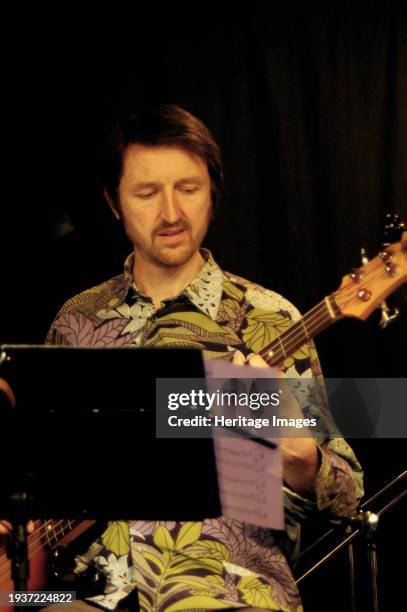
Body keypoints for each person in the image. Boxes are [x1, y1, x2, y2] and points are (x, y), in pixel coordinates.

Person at [1, 105, 363, 612]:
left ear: (213, 192)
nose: (171, 213)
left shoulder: (269, 317)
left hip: (227, 592)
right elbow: (37, 477)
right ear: (113, 203)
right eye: (147, 193)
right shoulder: (75, 321)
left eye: (188, 189)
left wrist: (299, 458)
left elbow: (347, 495)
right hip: (83, 596)